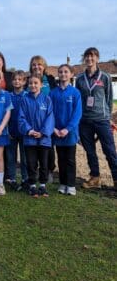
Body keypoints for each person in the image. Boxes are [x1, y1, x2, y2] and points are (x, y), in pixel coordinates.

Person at [76, 47, 117, 193]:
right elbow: (79, 100)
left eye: (92, 56)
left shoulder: (105, 77)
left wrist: (108, 117)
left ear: (97, 58)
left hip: (102, 120)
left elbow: (109, 98)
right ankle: (95, 177)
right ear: (84, 59)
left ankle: (116, 178)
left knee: (110, 150)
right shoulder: (80, 79)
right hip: (85, 120)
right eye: (87, 57)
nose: (89, 59)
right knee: (90, 151)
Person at [18, 73, 54, 198]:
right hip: (29, 139)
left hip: (44, 139)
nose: (33, 85)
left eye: (35, 83)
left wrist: (43, 132)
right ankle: (32, 186)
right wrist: (29, 131)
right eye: (30, 83)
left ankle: (43, 186)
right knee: (31, 163)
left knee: (44, 163)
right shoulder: (24, 99)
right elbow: (21, 118)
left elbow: (50, 118)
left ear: (41, 85)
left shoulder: (47, 99)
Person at [50, 64, 82, 196]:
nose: (63, 74)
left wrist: (68, 129)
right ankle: (62, 183)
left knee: (70, 160)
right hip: (57, 132)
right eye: (61, 72)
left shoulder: (75, 93)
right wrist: (54, 129)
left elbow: (77, 113)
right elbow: (49, 112)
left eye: (66, 72)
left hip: (70, 133)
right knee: (61, 159)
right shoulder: (53, 93)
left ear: (71, 75)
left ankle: (71, 185)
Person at [29, 55, 57, 183]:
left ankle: (49, 171)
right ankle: (32, 175)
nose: (36, 67)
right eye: (34, 64)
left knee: (48, 148)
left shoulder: (50, 80)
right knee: (32, 150)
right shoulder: (28, 80)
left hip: (47, 119)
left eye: (39, 64)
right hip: (33, 120)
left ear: (44, 66)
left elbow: (55, 97)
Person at [5, 70, 28, 191]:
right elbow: (5, 115)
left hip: (24, 133)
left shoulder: (27, 96)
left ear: (24, 81)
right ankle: (12, 179)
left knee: (25, 158)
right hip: (11, 132)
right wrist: (7, 130)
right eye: (15, 79)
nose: (17, 81)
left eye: (20, 79)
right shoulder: (8, 96)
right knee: (11, 157)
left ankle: (25, 179)